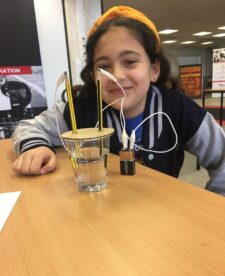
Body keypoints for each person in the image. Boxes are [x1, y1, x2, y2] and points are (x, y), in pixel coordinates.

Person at [12, 6, 225, 196]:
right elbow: (28, 127)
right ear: (92, 74)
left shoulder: (177, 108)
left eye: (130, 62)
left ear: (154, 70)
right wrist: (36, 147)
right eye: (104, 66)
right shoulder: (81, 108)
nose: (117, 75)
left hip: (162, 220)